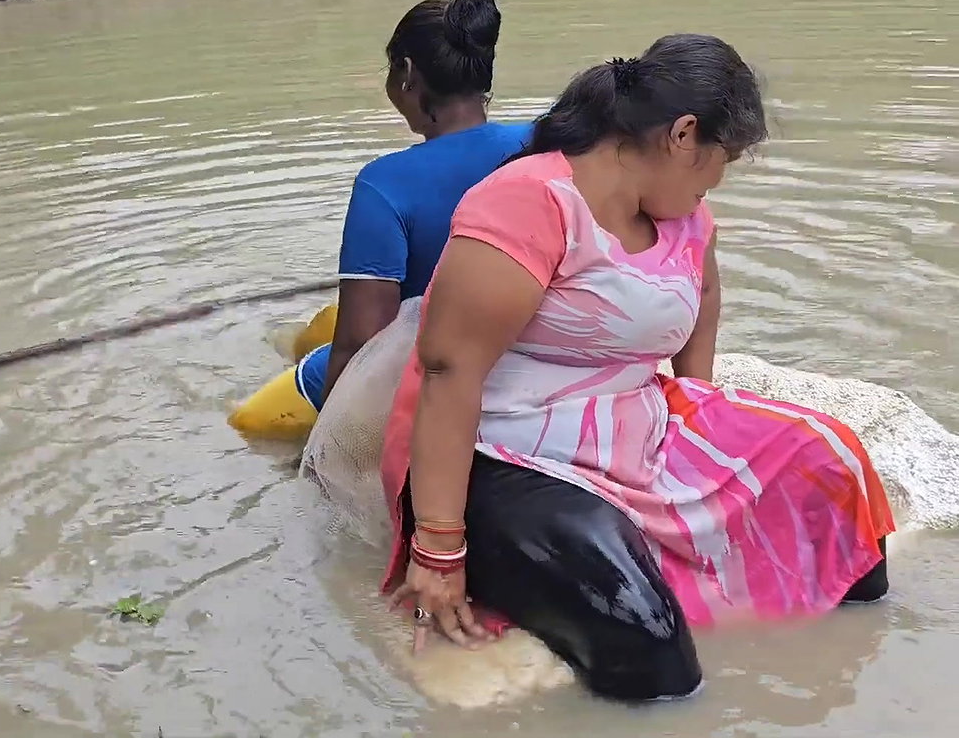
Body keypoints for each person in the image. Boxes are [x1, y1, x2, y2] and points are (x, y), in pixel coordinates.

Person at [377, 34, 896, 702]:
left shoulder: (683, 215)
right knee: (646, 640)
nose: (718, 179)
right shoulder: (527, 202)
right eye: (723, 160)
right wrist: (439, 548)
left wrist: (699, 411)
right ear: (684, 134)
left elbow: (703, 295)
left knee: (833, 469)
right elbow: (449, 370)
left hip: (636, 423)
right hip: (507, 449)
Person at [296, 0, 532, 411]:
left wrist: (332, 453)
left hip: (435, 375)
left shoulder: (384, 183)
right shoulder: (546, 141)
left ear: (406, 73)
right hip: (525, 353)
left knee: (304, 361)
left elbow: (361, 345)